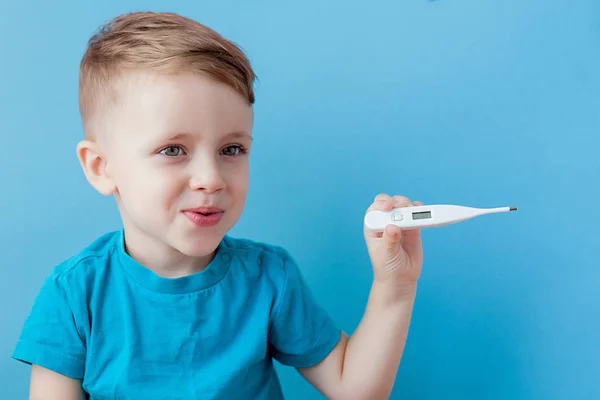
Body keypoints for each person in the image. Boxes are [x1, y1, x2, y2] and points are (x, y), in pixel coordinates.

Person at [12, 11, 424, 400]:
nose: (211, 178)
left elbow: (355, 388)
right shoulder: (74, 295)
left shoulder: (268, 278)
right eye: (173, 149)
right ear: (102, 168)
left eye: (231, 148)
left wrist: (395, 286)